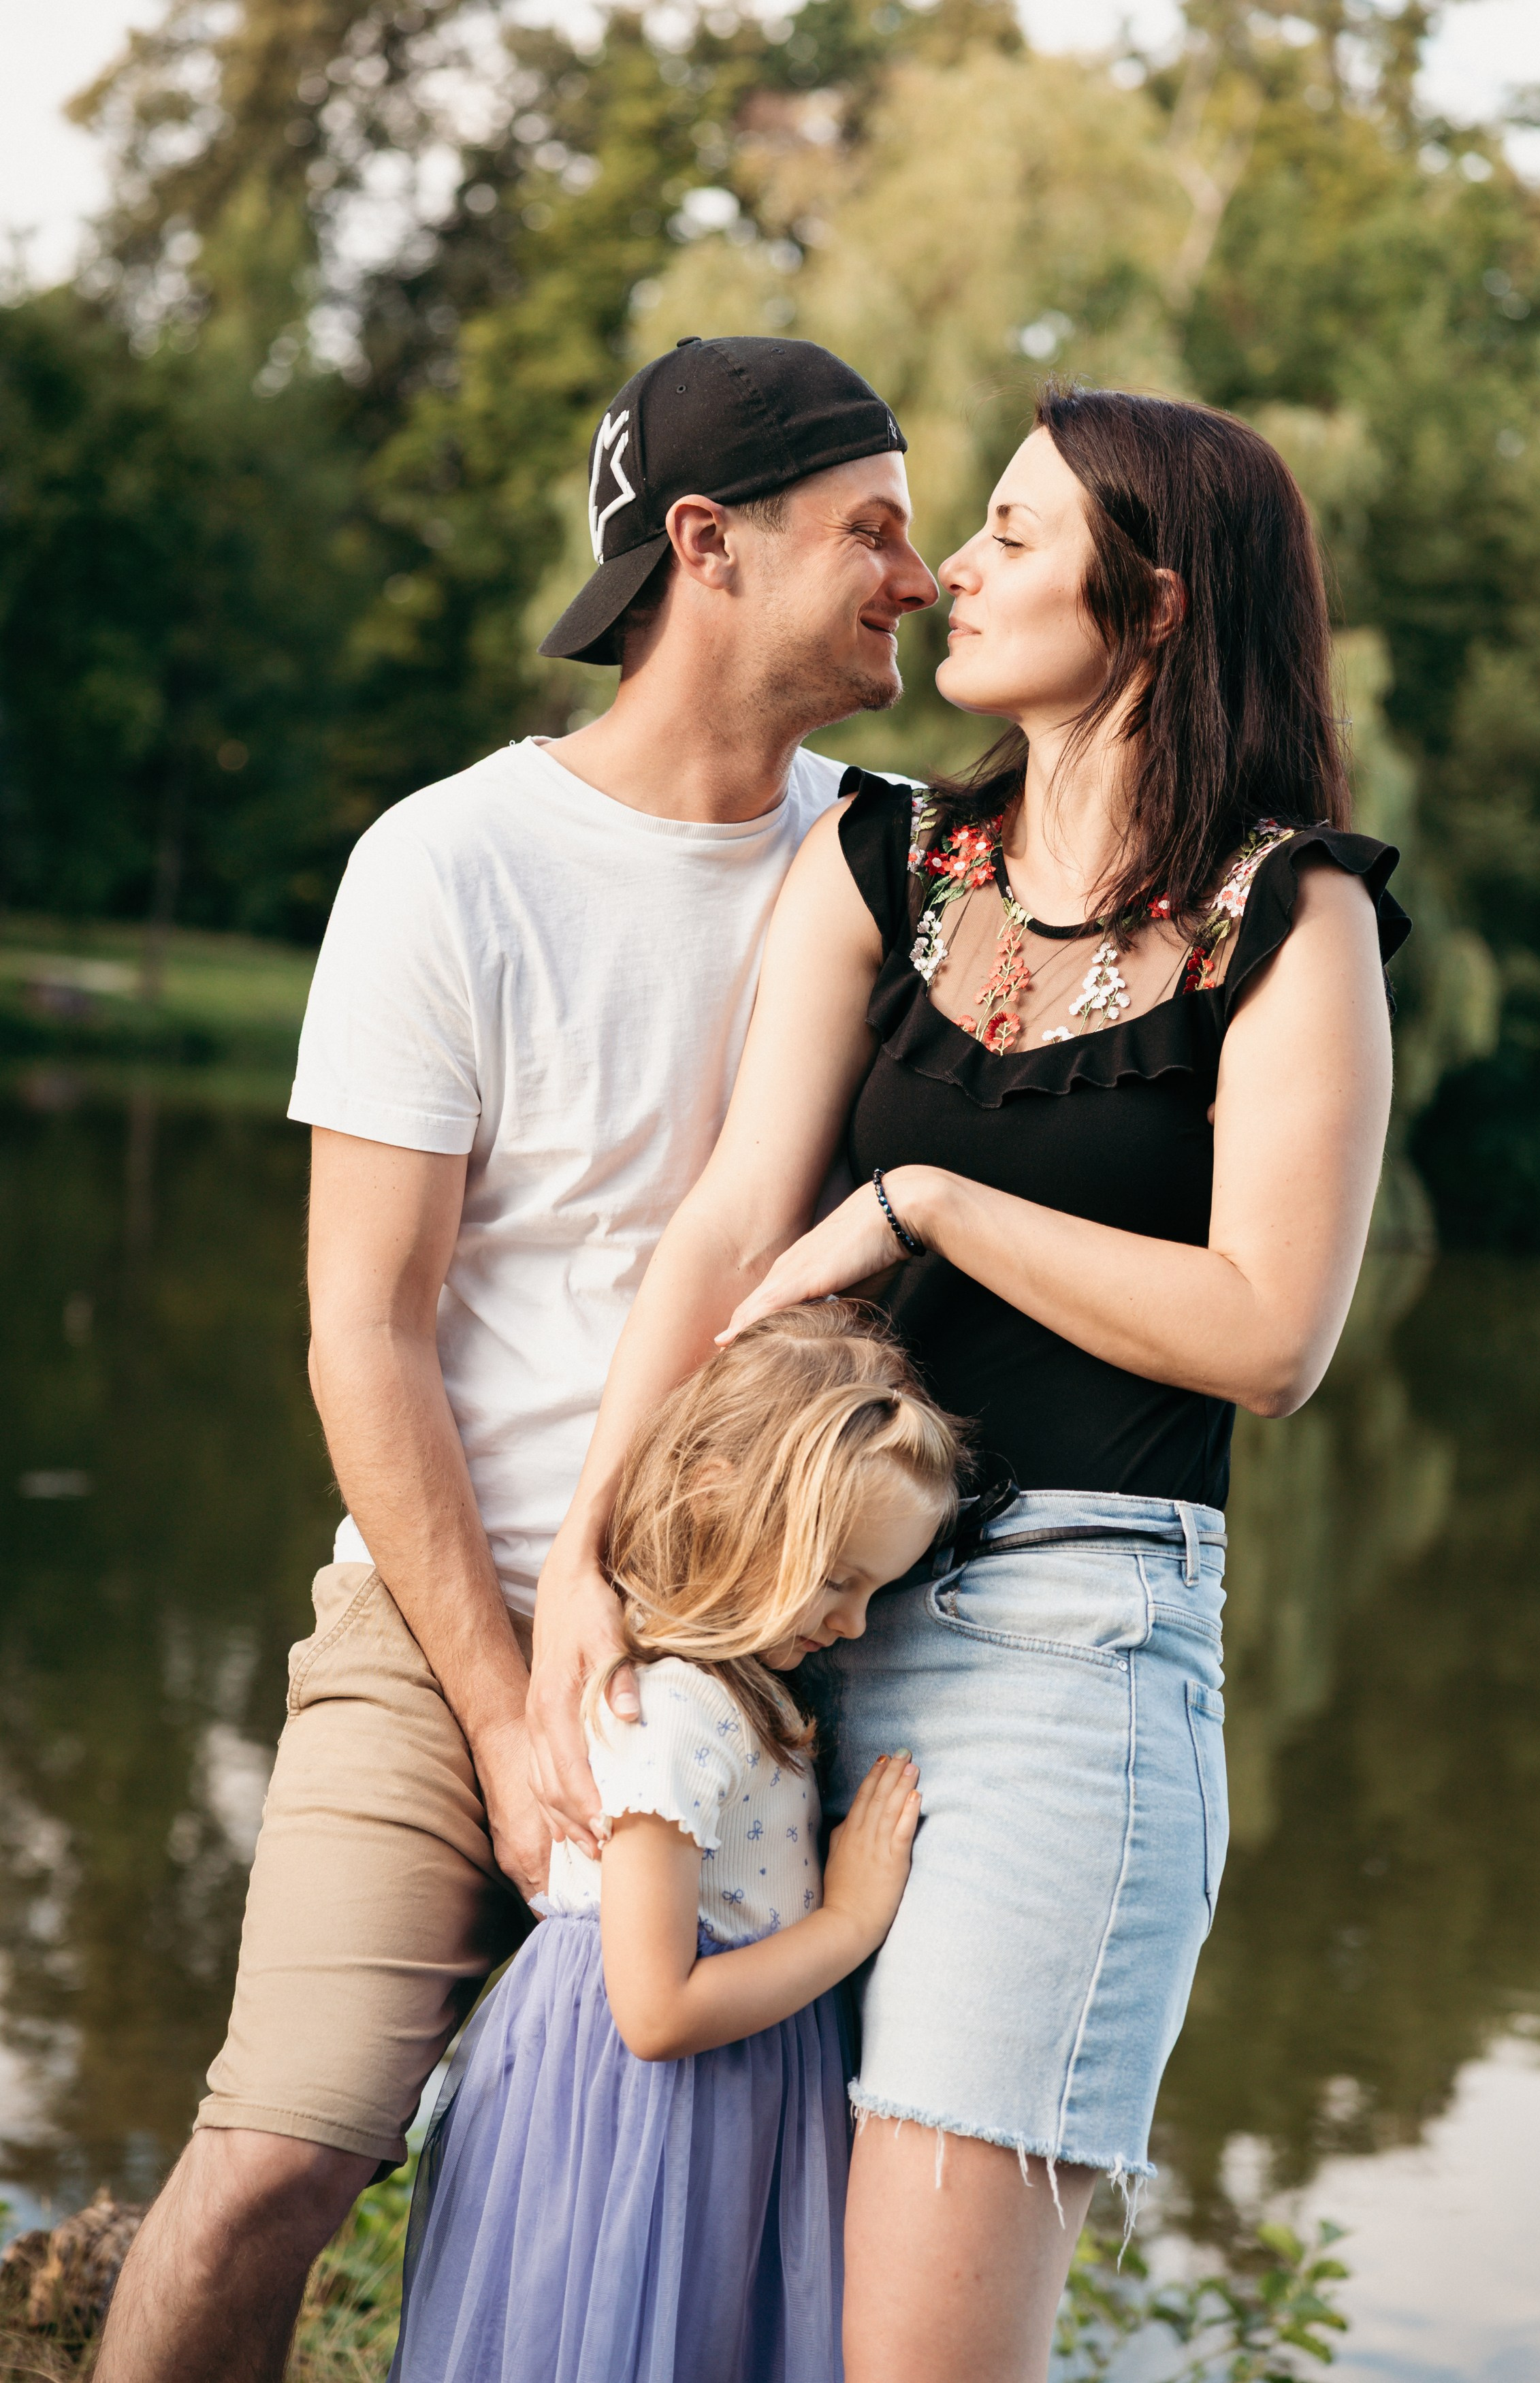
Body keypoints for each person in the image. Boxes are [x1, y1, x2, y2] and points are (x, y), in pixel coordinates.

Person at [528, 385, 1412, 2383]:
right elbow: (725, 1228)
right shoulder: (884, 859)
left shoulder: (1291, 915)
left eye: (1010, 534)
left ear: (1155, 605)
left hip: (1064, 1669)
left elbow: (1269, 1332)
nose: (948, 573)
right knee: (729, 2305)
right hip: (786, 1649)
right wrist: (590, 1562)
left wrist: (928, 1198)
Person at [96, 336, 936, 2383]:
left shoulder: (906, 859)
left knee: (785, 2200)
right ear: (707, 547)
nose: (915, 576)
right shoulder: (447, 866)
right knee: (279, 2156)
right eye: (873, 530)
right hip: (450, 1609)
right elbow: (362, 1331)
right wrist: (500, 1706)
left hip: (790, 1643)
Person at [389, 1303, 961, 2382]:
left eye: (876, 1591)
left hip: (725, 2098)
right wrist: (850, 1921)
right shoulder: (677, 1719)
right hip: (637, 2116)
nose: (852, 1622)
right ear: (719, 1503)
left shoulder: (749, 1704)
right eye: (839, 1578)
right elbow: (653, 2014)